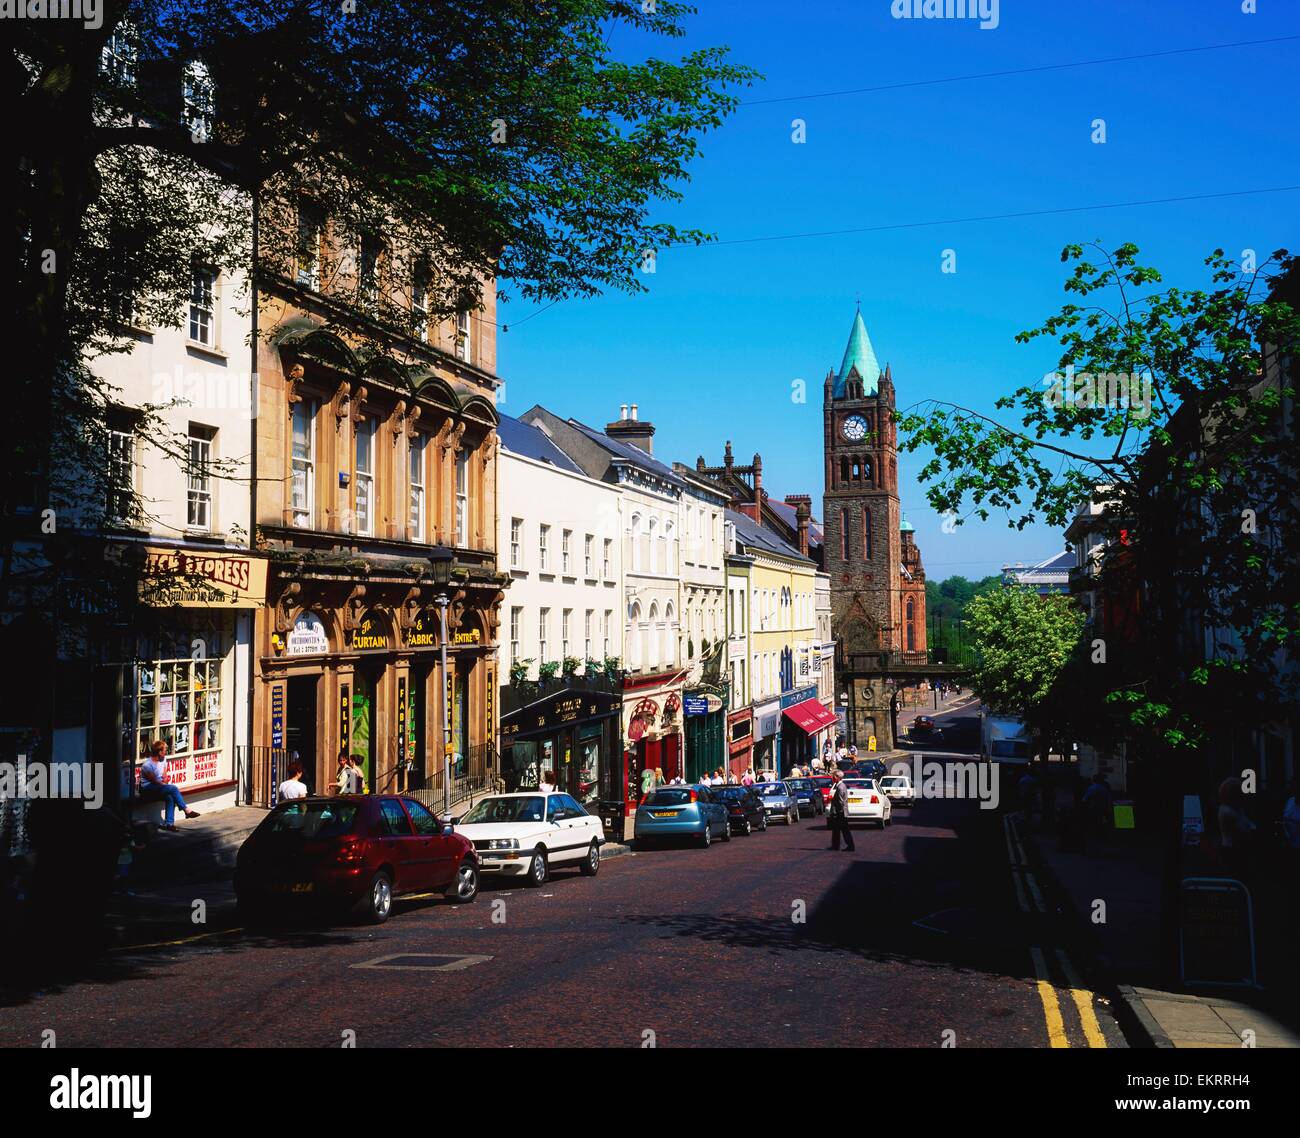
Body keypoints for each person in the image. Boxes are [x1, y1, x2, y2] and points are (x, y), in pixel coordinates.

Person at [138, 740, 200, 831]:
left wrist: (165, 782)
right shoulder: (147, 765)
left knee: (170, 797)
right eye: (164, 750)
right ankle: (186, 810)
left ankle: (169, 824)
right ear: (159, 752)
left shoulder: (163, 760)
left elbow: (164, 776)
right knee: (173, 788)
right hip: (147, 789)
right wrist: (165, 784)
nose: (166, 752)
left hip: (158, 787)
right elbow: (154, 781)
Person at [1217, 777, 1256, 880]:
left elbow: (1248, 823)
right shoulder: (1226, 811)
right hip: (1231, 849)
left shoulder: (1237, 809)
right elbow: (1243, 830)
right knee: (1236, 875)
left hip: (1238, 847)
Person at [827, 770, 855, 852]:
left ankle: (850, 846)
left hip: (840, 813)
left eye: (834, 776)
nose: (832, 778)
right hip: (840, 812)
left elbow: (841, 801)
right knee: (836, 830)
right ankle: (835, 845)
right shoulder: (840, 786)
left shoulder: (840, 787)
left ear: (837, 777)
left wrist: (838, 812)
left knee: (845, 830)